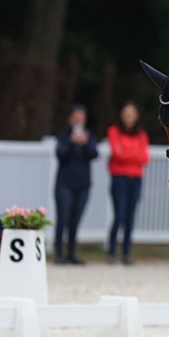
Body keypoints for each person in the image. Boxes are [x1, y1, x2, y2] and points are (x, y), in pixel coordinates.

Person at [53, 104, 99, 265]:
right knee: (63, 218)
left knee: (75, 220)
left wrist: (85, 143)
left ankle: (71, 253)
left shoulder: (89, 136)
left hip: (83, 184)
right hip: (64, 184)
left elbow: (94, 154)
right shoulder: (64, 136)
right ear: (70, 118)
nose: (79, 119)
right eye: (76, 116)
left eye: (81, 116)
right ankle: (59, 254)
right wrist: (72, 142)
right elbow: (60, 155)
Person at [106, 101, 150, 265]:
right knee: (119, 215)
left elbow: (145, 158)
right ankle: (111, 251)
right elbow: (118, 155)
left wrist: (127, 154)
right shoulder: (114, 131)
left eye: (131, 114)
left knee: (130, 217)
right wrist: (134, 155)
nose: (128, 117)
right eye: (126, 114)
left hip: (136, 179)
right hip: (119, 178)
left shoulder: (141, 135)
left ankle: (126, 253)